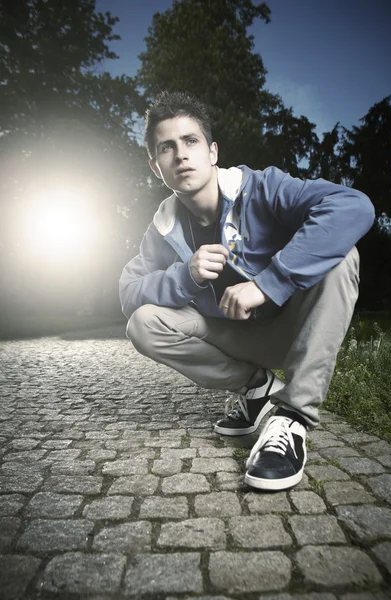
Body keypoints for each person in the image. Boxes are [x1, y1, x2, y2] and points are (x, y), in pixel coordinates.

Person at [119, 91, 374, 491]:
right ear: (156, 166)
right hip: (235, 339)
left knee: (341, 256)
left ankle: (291, 419)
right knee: (142, 322)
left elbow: (352, 206)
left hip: (295, 328)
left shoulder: (261, 187)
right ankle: (256, 388)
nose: (181, 155)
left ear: (212, 151)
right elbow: (129, 292)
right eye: (167, 148)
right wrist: (185, 276)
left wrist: (266, 284)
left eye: (190, 141)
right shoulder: (162, 229)